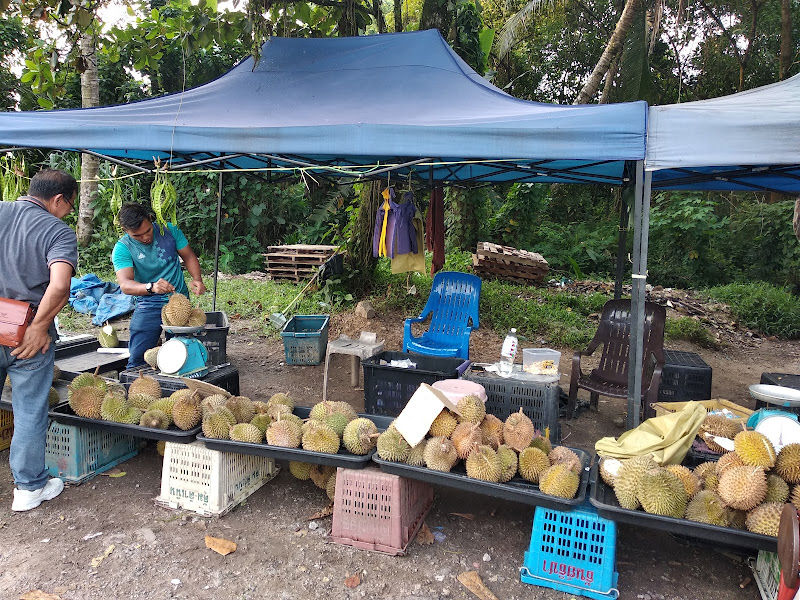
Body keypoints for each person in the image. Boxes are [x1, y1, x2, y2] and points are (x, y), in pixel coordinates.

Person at [0, 168, 78, 511]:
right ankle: (29, 487)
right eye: (70, 206)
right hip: (25, 333)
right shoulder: (56, 230)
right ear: (58, 199)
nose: (68, 213)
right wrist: (39, 326)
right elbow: (60, 285)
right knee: (29, 409)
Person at [112, 203, 206, 369]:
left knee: (182, 355)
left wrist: (197, 278)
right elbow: (125, 285)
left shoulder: (169, 230)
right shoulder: (122, 248)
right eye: (137, 236)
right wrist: (151, 287)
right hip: (148, 302)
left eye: (147, 231)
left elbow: (189, 256)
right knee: (139, 357)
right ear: (125, 230)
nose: (145, 238)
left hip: (179, 299)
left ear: (150, 218)